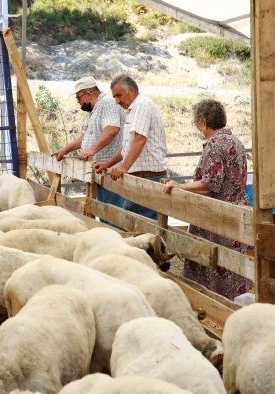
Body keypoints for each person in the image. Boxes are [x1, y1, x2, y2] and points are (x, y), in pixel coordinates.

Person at [162, 99, 252, 300]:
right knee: (232, 263)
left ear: (203, 122)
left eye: (196, 122)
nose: (196, 127)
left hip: (217, 215)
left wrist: (180, 186)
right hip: (237, 211)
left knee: (211, 261)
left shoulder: (214, 144)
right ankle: (231, 304)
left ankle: (211, 304)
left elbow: (210, 183)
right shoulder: (236, 141)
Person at [93, 74, 168, 220]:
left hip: (148, 178)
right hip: (142, 178)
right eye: (114, 97)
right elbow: (128, 145)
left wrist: (124, 167)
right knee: (134, 222)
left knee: (138, 224)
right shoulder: (134, 109)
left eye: (118, 95)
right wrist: (108, 164)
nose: (117, 101)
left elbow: (140, 139)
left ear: (131, 90)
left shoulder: (141, 105)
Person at [51, 76, 126, 209]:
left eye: (78, 97)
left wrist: (91, 150)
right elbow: (86, 136)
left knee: (111, 212)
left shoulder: (108, 103)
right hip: (100, 171)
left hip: (111, 172)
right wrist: (65, 150)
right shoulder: (94, 110)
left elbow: (112, 130)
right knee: (103, 211)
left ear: (89, 94)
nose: (78, 101)